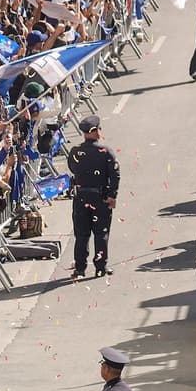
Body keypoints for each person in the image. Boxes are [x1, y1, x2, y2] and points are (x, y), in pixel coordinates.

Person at [67, 115, 121, 279]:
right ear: (95, 131)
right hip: (100, 197)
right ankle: (100, 267)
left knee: (81, 234)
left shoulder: (75, 151)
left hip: (81, 197)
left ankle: (80, 268)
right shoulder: (105, 152)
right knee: (101, 233)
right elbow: (115, 175)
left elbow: (72, 168)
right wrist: (112, 196)